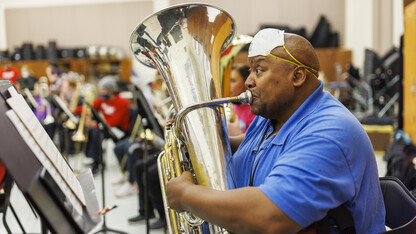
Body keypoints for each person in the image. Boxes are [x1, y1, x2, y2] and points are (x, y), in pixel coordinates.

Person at [166, 28, 386, 233]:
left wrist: (186, 195)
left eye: (259, 70)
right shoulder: (273, 116)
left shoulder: (330, 131)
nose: (248, 81)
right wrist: (201, 138)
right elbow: (256, 149)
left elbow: (270, 216)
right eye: (251, 70)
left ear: (297, 76)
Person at [85, 76, 130, 174]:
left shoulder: (122, 102)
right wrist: (77, 111)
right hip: (108, 127)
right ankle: (95, 160)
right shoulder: (102, 100)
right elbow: (91, 108)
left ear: (110, 90)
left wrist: (94, 124)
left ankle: (98, 163)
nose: (101, 92)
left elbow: (115, 121)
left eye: (103, 90)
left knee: (97, 133)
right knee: (92, 131)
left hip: (120, 130)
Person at [226, 63, 256, 136]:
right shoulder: (232, 107)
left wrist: (237, 134)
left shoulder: (254, 112)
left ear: (245, 83)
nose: (228, 85)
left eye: (232, 81)